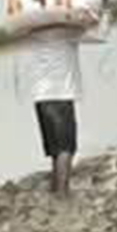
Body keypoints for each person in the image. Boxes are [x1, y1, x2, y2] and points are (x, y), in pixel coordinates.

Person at [22, 24, 85, 195]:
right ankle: (62, 194)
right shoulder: (66, 31)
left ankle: (54, 189)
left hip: (40, 96)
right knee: (66, 148)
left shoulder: (33, 32)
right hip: (61, 94)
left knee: (55, 149)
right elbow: (98, 33)